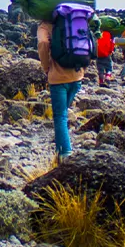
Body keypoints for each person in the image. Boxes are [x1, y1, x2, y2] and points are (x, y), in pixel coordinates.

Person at [38, 15, 85, 158]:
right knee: (63, 112)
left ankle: (65, 153)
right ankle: (62, 145)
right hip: (77, 76)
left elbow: (43, 43)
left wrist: (46, 67)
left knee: (60, 117)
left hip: (58, 78)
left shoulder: (45, 25)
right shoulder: (74, 19)